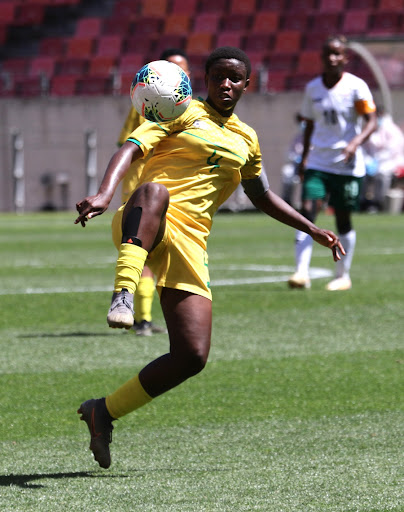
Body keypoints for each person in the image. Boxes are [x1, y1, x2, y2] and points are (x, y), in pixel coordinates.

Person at [75, 46, 344, 469]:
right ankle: (123, 294)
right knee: (156, 190)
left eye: (234, 78)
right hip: (143, 219)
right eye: (218, 76)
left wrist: (311, 228)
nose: (226, 84)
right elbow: (130, 147)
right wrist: (106, 194)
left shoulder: (246, 138)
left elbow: (262, 195)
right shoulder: (179, 111)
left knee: (192, 355)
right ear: (205, 79)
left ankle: (102, 412)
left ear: (246, 84)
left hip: (191, 242)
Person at [288, 35, 377, 291]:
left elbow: (370, 120)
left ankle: (342, 276)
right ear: (322, 57)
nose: (332, 58)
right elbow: (309, 124)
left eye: (337, 53)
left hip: (347, 163)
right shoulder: (313, 88)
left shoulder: (357, 87)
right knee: (307, 212)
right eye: (328, 53)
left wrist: (355, 143)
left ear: (345, 58)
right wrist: (304, 157)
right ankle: (301, 273)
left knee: (343, 218)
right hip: (318, 161)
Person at [118, 48, 191, 336]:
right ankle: (142, 319)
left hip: (167, 189)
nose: (178, 74)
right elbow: (127, 144)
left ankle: (145, 318)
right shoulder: (149, 103)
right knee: (144, 253)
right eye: (172, 68)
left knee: (162, 256)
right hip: (142, 187)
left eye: (183, 70)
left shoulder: (184, 107)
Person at [361, 105, 404, 212]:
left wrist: (378, 160)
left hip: (390, 161)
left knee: (382, 175)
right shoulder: (370, 128)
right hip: (372, 161)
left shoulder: (391, 129)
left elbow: (393, 149)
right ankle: (363, 203)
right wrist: (369, 160)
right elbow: (364, 147)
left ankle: (378, 202)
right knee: (362, 174)